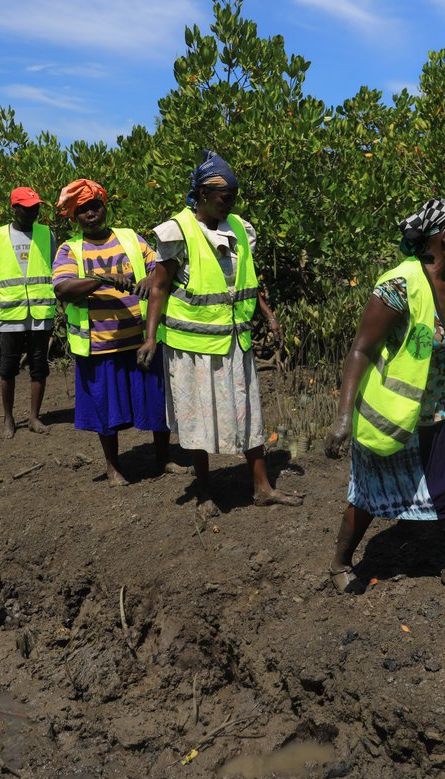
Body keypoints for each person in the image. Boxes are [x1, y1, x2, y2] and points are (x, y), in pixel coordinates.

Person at [323, 199, 445, 594]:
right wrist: (343, 416)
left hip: (441, 409)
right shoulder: (398, 285)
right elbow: (361, 349)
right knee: (368, 496)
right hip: (394, 412)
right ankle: (340, 563)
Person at [139, 151, 302, 516]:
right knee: (197, 418)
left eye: (234, 197)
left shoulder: (240, 229)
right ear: (203, 194)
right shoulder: (178, 231)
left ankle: (262, 487)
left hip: (234, 339)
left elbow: (247, 281)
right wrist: (150, 338)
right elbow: (159, 288)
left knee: (249, 413)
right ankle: (204, 492)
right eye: (225, 197)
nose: (231, 204)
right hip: (191, 345)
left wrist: (268, 315)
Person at [51, 178, 180, 486]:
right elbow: (63, 289)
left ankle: (163, 459)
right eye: (82, 210)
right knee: (105, 410)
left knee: (157, 401)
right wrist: (102, 279)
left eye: (94, 207)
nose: (90, 214)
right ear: (75, 217)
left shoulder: (130, 238)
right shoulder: (71, 249)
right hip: (100, 345)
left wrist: (149, 280)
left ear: (104, 207)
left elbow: (159, 268)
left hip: (141, 339)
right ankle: (113, 468)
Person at [0, 186, 57, 439]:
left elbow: (58, 270)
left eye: (36, 207)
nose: (33, 212)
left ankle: (34, 417)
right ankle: (8, 419)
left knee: (39, 366)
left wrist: (65, 304)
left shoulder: (47, 234)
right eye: (27, 208)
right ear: (15, 208)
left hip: (41, 311)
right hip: (10, 313)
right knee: (7, 367)